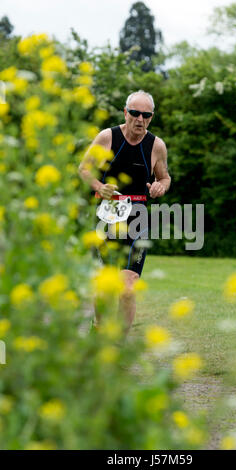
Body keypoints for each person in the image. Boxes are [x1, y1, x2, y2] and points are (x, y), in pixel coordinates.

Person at [78, 90, 171, 332]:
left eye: (146, 115)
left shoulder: (156, 145)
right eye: (135, 113)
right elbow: (84, 169)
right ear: (125, 112)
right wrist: (100, 187)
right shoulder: (107, 137)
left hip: (137, 219)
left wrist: (161, 186)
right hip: (106, 216)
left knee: (128, 286)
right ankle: (99, 329)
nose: (140, 119)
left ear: (151, 117)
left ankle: (119, 343)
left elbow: (165, 177)